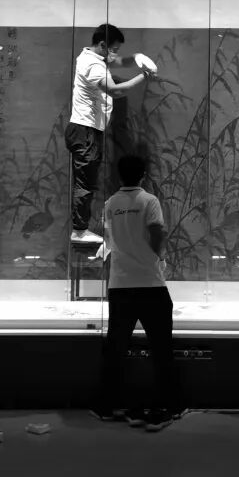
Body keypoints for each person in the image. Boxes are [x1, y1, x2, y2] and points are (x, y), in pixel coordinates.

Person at [90, 155, 183, 432]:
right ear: (143, 174)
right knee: (161, 348)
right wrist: (161, 257)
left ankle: (108, 406)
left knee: (115, 348)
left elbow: (109, 240)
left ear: (120, 175)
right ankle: (166, 407)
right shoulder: (149, 201)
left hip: (120, 286)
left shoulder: (110, 204)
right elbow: (157, 233)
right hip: (150, 285)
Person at [65, 23, 157, 244]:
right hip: (85, 130)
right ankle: (79, 231)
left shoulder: (92, 56)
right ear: (102, 45)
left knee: (86, 180)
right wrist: (144, 77)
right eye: (114, 49)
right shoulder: (92, 64)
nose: (115, 54)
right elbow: (115, 91)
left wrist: (137, 58)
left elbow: (119, 61)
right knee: (85, 182)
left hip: (86, 129)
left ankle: (80, 229)